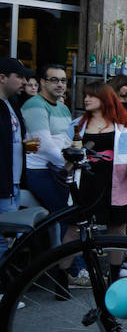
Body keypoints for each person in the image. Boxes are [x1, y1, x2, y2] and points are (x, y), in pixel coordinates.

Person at [71, 83, 127, 252]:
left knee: (117, 230)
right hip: (85, 181)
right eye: (85, 96)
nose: (86, 99)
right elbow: (66, 150)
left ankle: (114, 273)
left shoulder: (125, 125)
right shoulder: (78, 124)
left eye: (91, 96)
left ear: (105, 99)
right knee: (74, 229)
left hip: (116, 182)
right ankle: (64, 274)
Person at [22, 63, 72, 248]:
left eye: (63, 80)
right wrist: (68, 163)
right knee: (64, 214)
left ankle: (65, 264)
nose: (60, 84)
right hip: (40, 170)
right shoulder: (34, 104)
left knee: (67, 214)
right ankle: (70, 268)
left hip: (59, 170)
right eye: (54, 80)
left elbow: (67, 140)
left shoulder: (63, 108)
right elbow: (44, 145)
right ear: (42, 82)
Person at [0, 59, 31, 220]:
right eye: (19, 77)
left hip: (14, 183)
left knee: (12, 234)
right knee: (6, 238)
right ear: (2, 78)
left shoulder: (12, 104)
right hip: (4, 185)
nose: (25, 82)